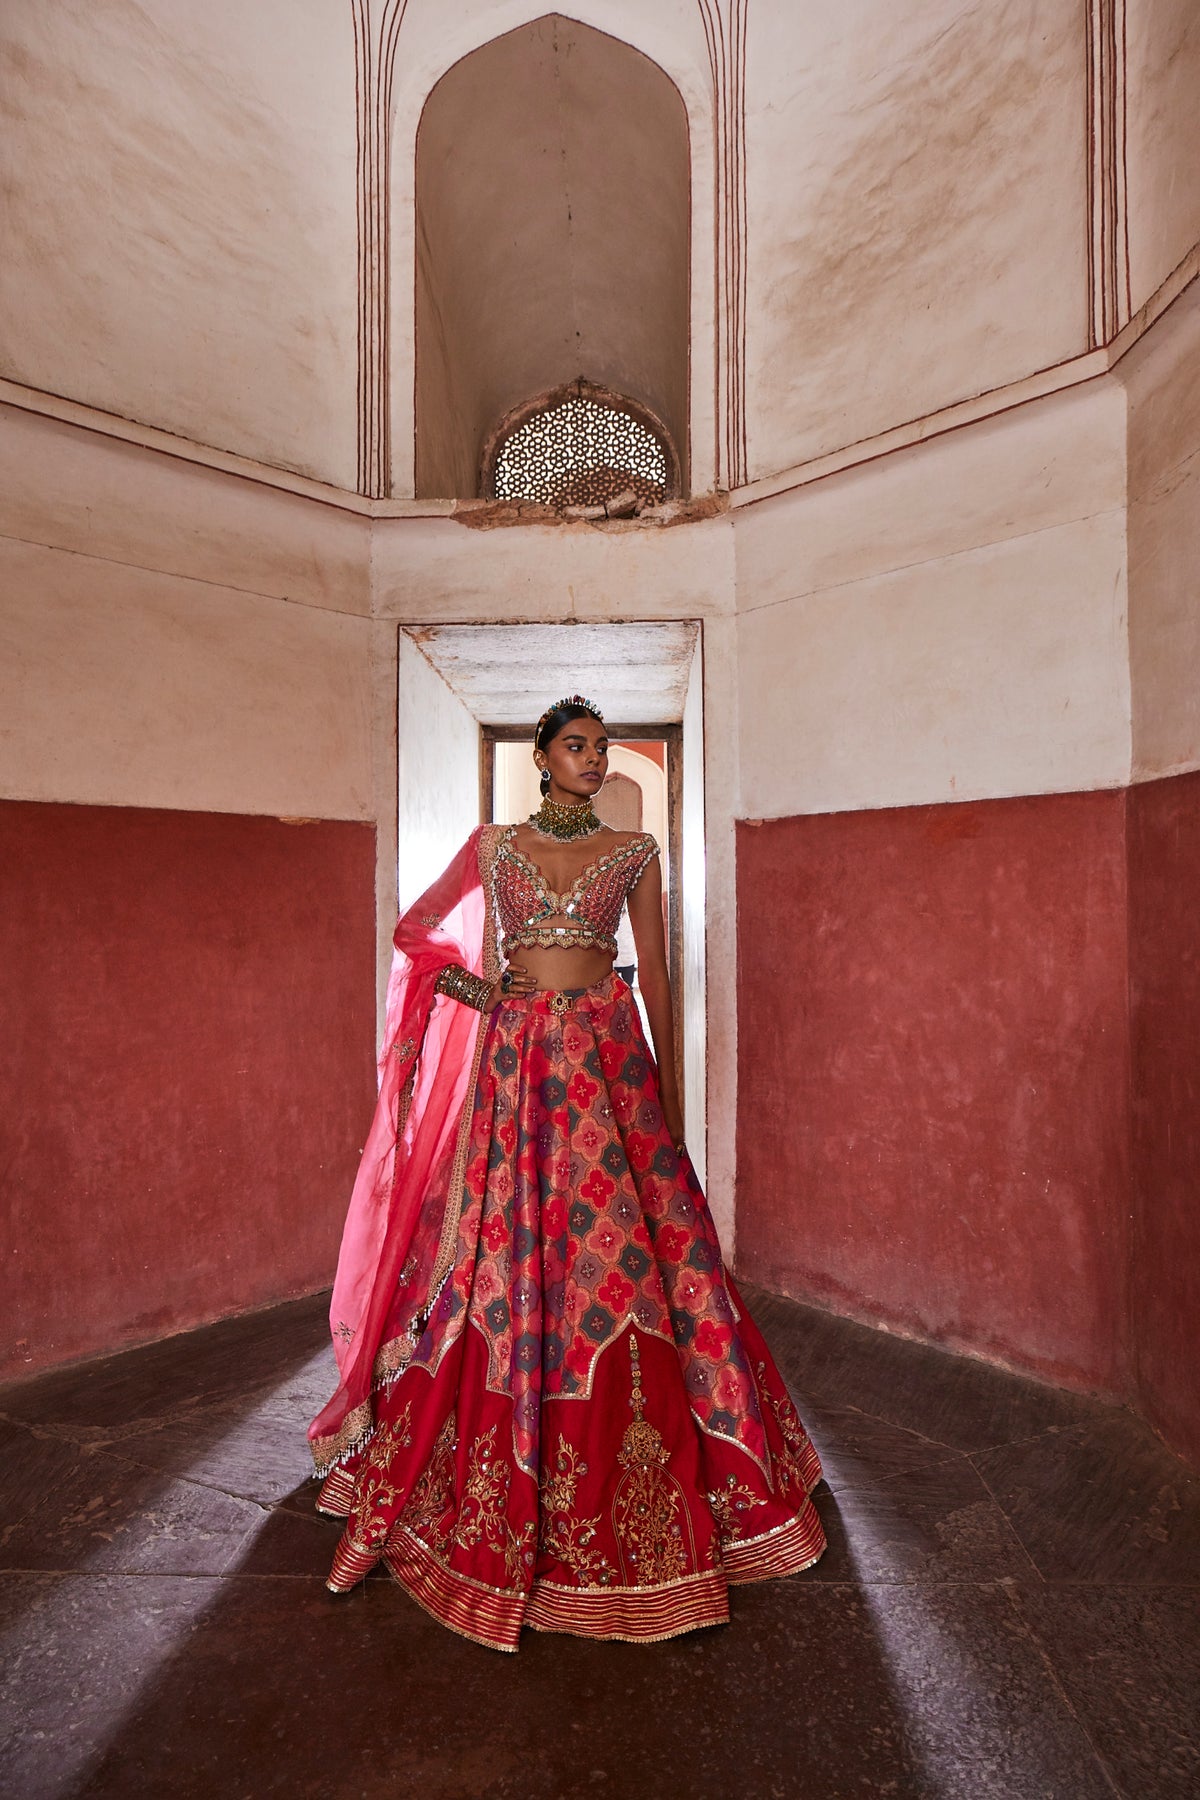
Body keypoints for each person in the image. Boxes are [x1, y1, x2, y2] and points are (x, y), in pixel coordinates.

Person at [308, 696, 826, 1650]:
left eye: (599, 748)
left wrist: (668, 1098)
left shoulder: (633, 854)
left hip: (605, 1057)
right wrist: (477, 989)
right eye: (576, 748)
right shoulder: (493, 847)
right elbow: (420, 935)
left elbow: (659, 974)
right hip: (515, 1059)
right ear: (542, 758)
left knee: (626, 1253)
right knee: (501, 1247)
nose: (593, 761)